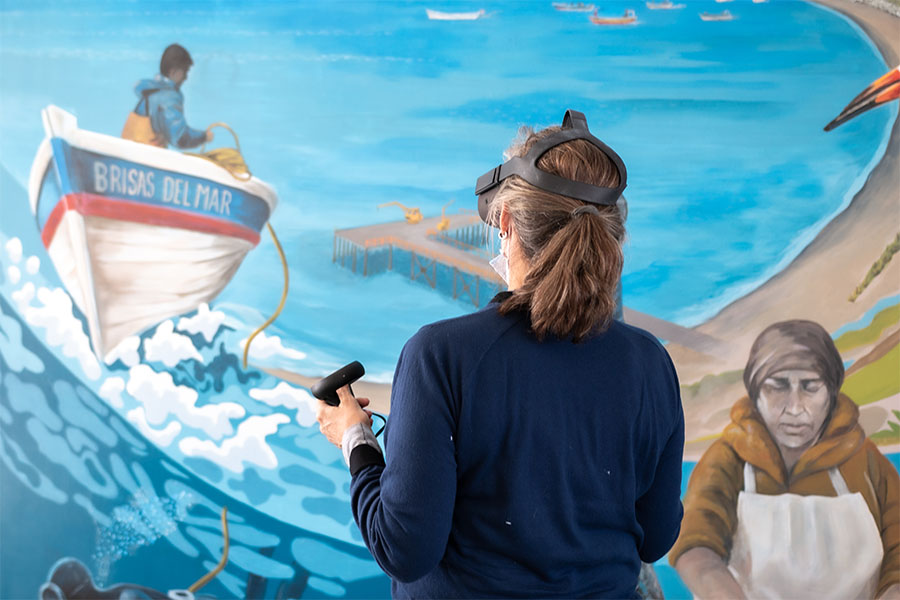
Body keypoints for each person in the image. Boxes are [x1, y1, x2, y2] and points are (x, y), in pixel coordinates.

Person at [316, 110, 685, 598]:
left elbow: (404, 549)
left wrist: (356, 440)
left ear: (506, 221)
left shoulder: (440, 356)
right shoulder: (649, 363)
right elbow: (656, 537)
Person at [670, 319, 900, 599]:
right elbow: (694, 549)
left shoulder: (865, 460)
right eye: (777, 386)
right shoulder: (728, 458)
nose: (794, 407)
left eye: (810, 386)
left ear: (831, 392)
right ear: (755, 393)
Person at [121, 43, 213, 149]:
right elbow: (180, 138)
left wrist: (164, 133)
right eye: (185, 72)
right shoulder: (168, 97)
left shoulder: (149, 90)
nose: (186, 78)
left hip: (128, 150)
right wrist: (204, 137)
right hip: (148, 156)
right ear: (174, 72)